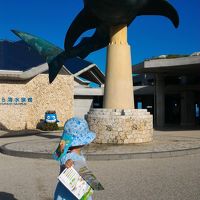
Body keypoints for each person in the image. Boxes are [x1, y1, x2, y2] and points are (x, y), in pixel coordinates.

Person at [54, 117, 96, 200]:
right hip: (72, 195)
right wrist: (65, 166)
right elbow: (62, 172)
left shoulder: (64, 153)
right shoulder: (69, 157)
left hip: (64, 191)